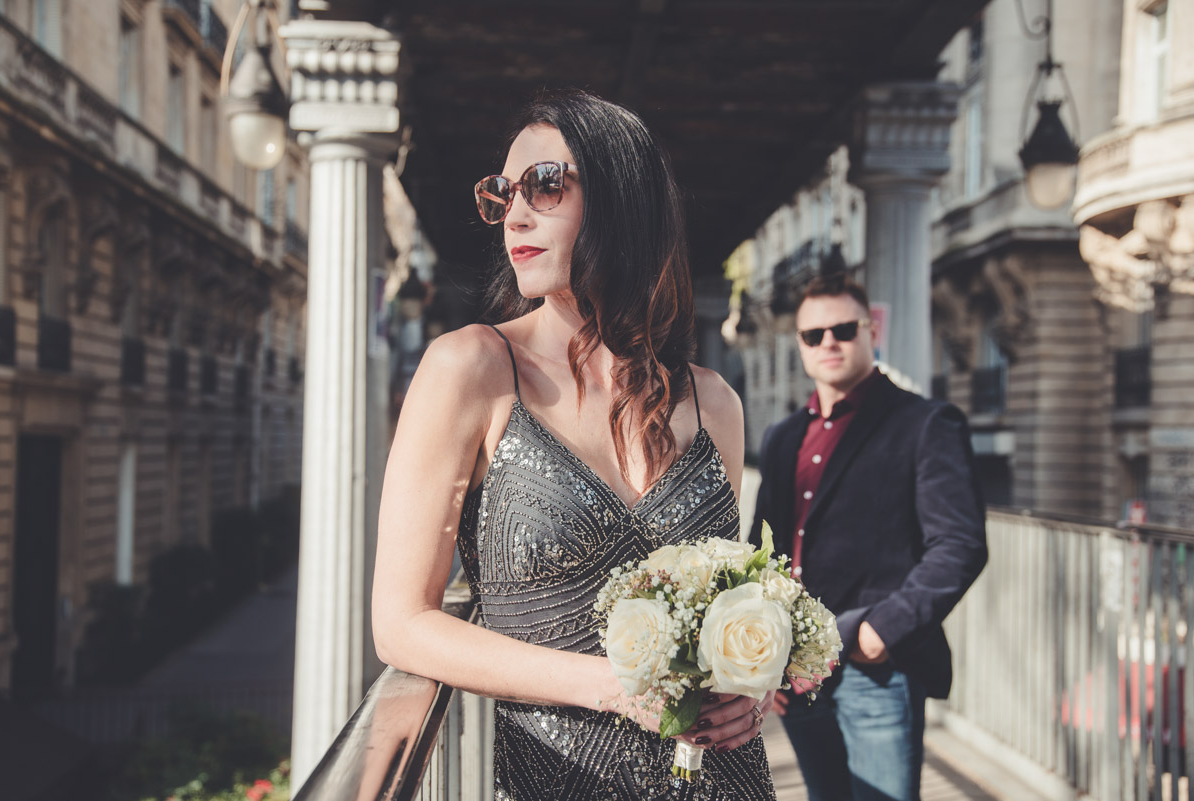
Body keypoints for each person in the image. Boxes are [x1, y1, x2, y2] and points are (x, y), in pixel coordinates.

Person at [373, 90, 778, 800]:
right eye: (502, 194)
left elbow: (721, 609)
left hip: (721, 781)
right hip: (558, 781)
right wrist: (612, 686)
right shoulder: (469, 368)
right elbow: (403, 623)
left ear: (625, 198)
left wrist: (749, 687)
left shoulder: (715, 401)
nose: (516, 214)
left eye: (546, 184)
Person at [748, 273, 987, 801]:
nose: (828, 342)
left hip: (873, 670)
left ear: (871, 328)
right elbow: (760, 556)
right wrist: (763, 665)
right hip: (796, 675)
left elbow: (960, 545)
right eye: (813, 335)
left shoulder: (926, 423)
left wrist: (884, 629)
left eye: (842, 329)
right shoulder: (782, 436)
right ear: (801, 346)